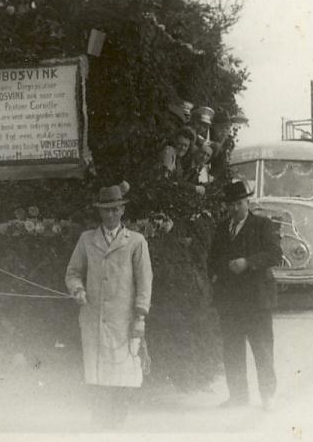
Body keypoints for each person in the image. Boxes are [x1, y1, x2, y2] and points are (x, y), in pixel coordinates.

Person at [65, 181, 153, 429]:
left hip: (123, 324)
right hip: (93, 320)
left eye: (115, 209)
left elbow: (145, 284)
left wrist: (140, 318)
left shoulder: (136, 242)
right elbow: (72, 272)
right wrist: (78, 289)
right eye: (106, 210)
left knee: (122, 379)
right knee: (98, 380)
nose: (111, 214)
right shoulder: (86, 240)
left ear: (123, 210)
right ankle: (100, 428)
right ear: (100, 212)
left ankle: (116, 429)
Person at [208, 180, 282, 411]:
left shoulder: (262, 225)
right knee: (232, 349)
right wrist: (216, 274)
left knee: (262, 348)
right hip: (229, 301)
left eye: (238, 203)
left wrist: (247, 263)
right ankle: (238, 396)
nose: (234, 209)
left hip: (257, 300)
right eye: (230, 205)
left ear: (247, 202)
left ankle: (268, 396)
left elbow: (275, 254)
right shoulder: (222, 228)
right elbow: (212, 258)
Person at [160, 127, 206, 196]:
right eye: (180, 144)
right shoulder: (169, 152)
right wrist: (194, 188)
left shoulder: (178, 159)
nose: (182, 148)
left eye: (185, 146)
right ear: (175, 142)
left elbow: (178, 180)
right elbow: (165, 180)